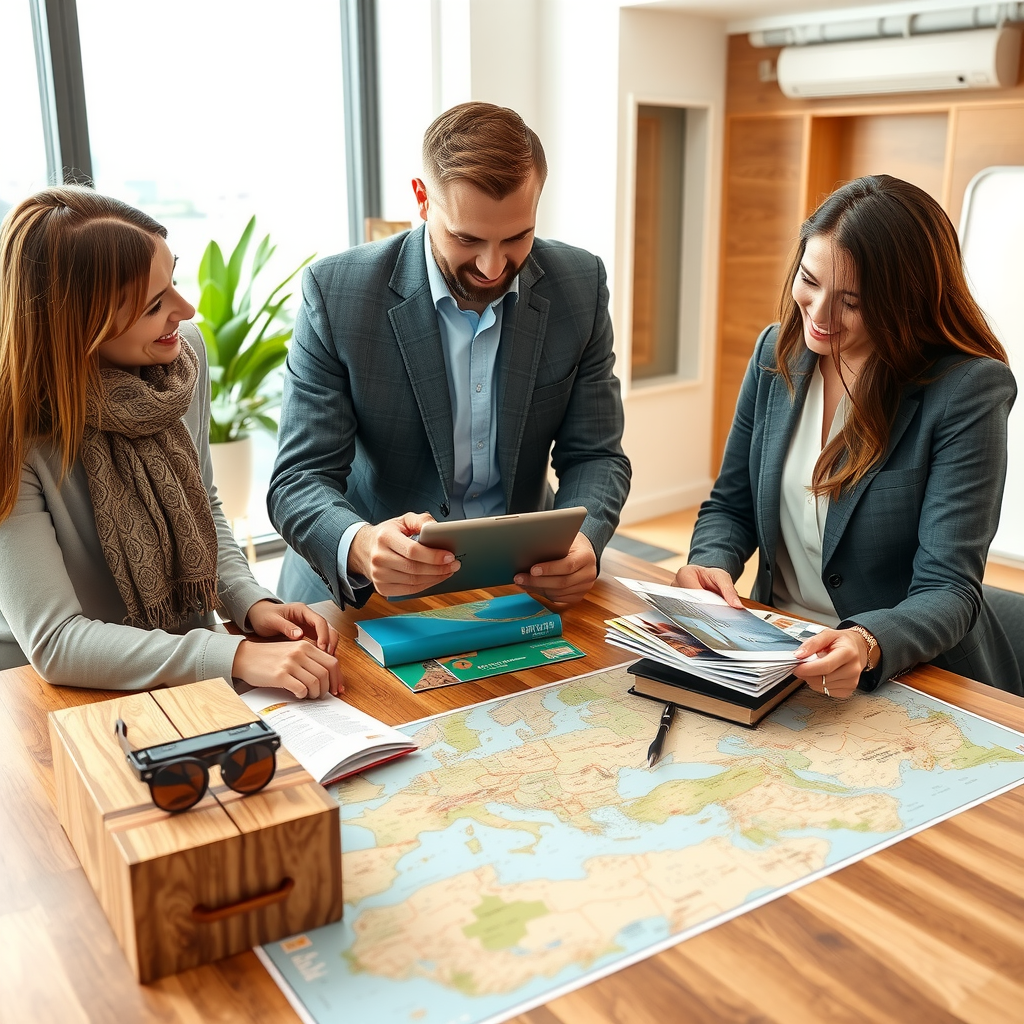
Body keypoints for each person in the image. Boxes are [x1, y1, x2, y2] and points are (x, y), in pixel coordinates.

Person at [269, 102, 630, 609]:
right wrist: (361, 544)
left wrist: (583, 540)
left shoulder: (580, 285)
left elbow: (597, 455)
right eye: (467, 238)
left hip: (523, 583)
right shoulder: (337, 293)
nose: (492, 265)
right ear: (421, 198)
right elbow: (298, 479)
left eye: (517, 237)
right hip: (366, 595)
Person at [677, 174, 1020, 698]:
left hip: (911, 669)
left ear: (907, 302)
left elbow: (949, 587)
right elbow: (731, 505)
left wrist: (867, 640)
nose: (818, 315)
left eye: (852, 302)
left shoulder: (967, 389)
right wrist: (709, 564)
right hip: (779, 652)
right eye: (809, 281)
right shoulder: (776, 353)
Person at [0, 187, 342, 697]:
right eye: (154, 304)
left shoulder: (181, 360)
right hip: (55, 696)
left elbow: (201, 503)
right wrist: (237, 654)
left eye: (174, 280)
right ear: (80, 325)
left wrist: (250, 603)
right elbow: (55, 642)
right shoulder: (14, 425)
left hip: (185, 665)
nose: (187, 309)